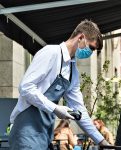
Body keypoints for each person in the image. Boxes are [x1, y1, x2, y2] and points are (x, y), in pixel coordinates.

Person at [9, 20, 108, 150]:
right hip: (26, 131)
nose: (91, 53)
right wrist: (55, 108)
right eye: (92, 48)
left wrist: (101, 141)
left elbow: (79, 109)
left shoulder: (73, 72)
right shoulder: (51, 52)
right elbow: (26, 87)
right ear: (81, 37)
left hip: (45, 134)